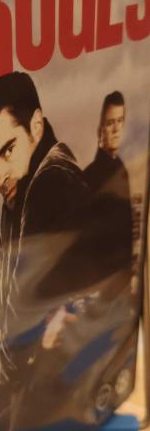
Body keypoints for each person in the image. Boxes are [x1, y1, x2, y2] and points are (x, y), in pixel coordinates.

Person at [0, 71, 94, 431]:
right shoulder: (21, 193)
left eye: (8, 150)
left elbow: (23, 340)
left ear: (36, 125)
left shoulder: (49, 183)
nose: (0, 175)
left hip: (63, 399)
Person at [84, 91, 133, 298]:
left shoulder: (121, 169)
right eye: (110, 123)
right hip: (101, 288)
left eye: (120, 121)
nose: (116, 129)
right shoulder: (88, 177)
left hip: (122, 285)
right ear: (100, 130)